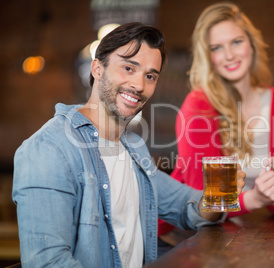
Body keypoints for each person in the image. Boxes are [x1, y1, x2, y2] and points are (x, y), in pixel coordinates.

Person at [12, 22, 245, 267]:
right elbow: (48, 262)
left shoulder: (133, 147)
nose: (139, 85)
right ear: (97, 68)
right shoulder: (48, 149)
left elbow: (186, 208)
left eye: (150, 76)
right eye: (128, 68)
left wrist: (220, 194)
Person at [158, 2, 274, 250]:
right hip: (175, 235)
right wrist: (254, 198)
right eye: (217, 48)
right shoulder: (198, 105)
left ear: (251, 43)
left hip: (237, 236)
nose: (229, 55)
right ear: (208, 57)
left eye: (236, 42)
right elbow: (202, 203)